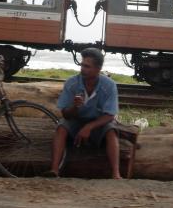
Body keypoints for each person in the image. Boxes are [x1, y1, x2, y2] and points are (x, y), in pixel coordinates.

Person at [46, 47, 121, 179]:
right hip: (76, 120)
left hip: (98, 123)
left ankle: (116, 173)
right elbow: (65, 114)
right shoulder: (72, 83)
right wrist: (74, 107)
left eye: (87, 66)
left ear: (98, 69)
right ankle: (54, 169)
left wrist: (89, 127)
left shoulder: (109, 85)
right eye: (82, 65)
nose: (82, 69)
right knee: (61, 127)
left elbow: (110, 115)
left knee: (111, 131)